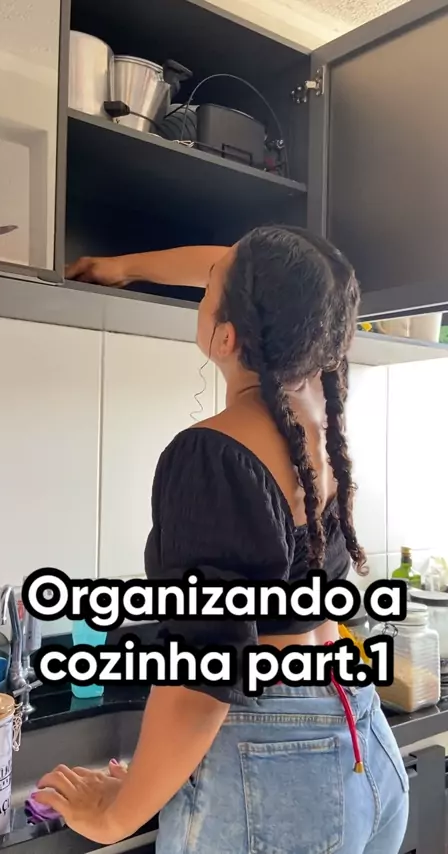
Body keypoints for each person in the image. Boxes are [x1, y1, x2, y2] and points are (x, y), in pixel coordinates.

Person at [34, 228, 409, 853]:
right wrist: (120, 266)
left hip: (275, 763)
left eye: (211, 287)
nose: (205, 280)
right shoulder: (318, 420)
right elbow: (260, 275)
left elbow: (204, 676)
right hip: (356, 738)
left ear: (227, 336)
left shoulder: (212, 455)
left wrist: (119, 813)